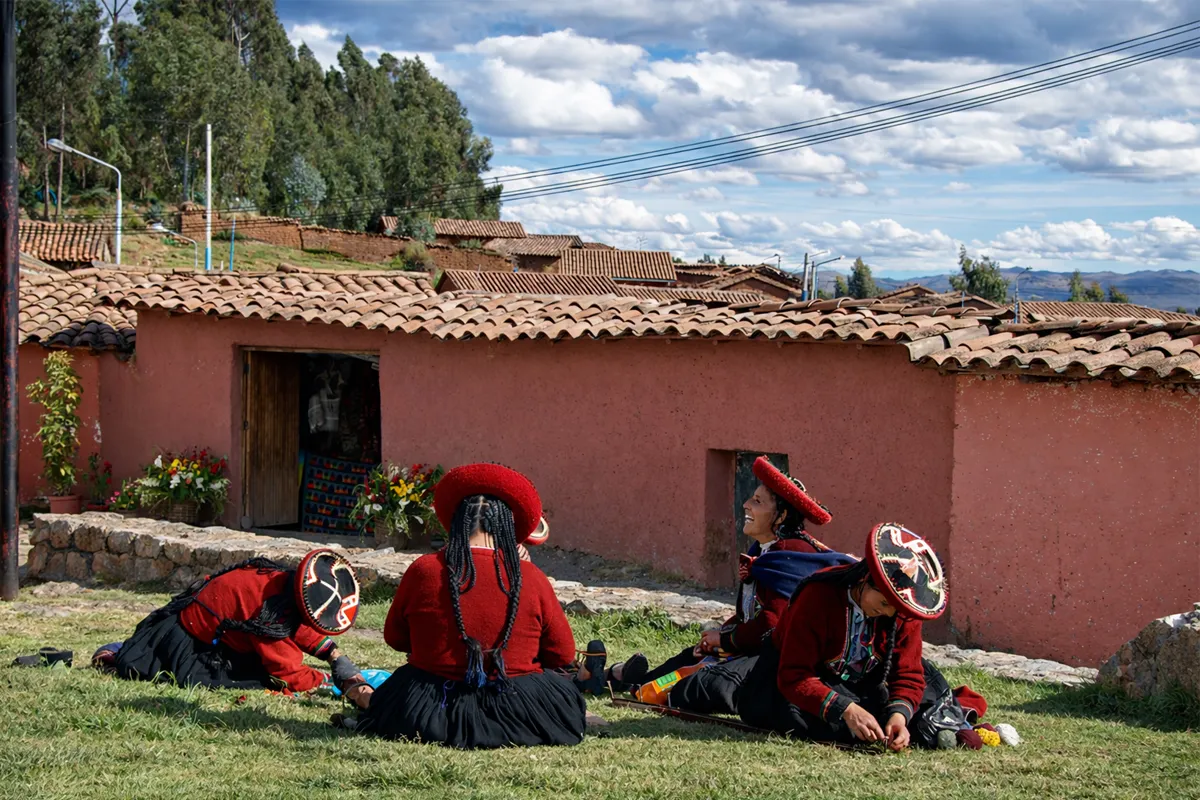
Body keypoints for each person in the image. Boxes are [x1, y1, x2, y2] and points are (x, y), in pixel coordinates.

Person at [354, 463, 587, 749]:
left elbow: (396, 638)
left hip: (427, 710)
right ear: (507, 526)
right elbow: (561, 653)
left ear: (456, 521)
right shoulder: (531, 577)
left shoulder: (423, 570)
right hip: (520, 712)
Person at [593, 457, 845, 714]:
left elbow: (773, 623)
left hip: (777, 657)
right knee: (689, 657)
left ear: (781, 515)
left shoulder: (791, 555)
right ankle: (621, 678)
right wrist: (719, 637)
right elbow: (752, 612)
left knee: (704, 682)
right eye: (750, 498)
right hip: (753, 646)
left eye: (757, 502)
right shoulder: (764, 550)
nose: (746, 504)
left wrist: (726, 639)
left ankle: (647, 687)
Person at [737, 522, 956, 750]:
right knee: (799, 717)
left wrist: (899, 716)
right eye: (883, 602)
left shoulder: (903, 610)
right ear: (865, 579)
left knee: (924, 701)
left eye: (896, 609)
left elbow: (908, 672)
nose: (889, 613)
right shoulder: (818, 597)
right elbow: (794, 676)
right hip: (803, 681)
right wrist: (847, 710)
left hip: (865, 683)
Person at [95, 549, 371, 705]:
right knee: (261, 677)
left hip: (211, 635)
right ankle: (120, 653)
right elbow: (289, 673)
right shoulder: (267, 612)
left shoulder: (283, 585)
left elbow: (297, 623)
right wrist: (331, 682)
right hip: (190, 643)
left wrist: (332, 654)